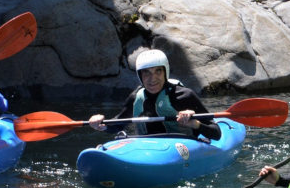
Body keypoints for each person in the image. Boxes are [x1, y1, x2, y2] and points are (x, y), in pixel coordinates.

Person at [88, 49, 221, 140]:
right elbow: (117, 126)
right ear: (140, 75)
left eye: (158, 71)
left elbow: (216, 133)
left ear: (165, 72)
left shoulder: (184, 96)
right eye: (147, 72)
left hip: (185, 148)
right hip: (149, 149)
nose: (153, 79)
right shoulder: (136, 98)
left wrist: (195, 124)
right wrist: (100, 124)